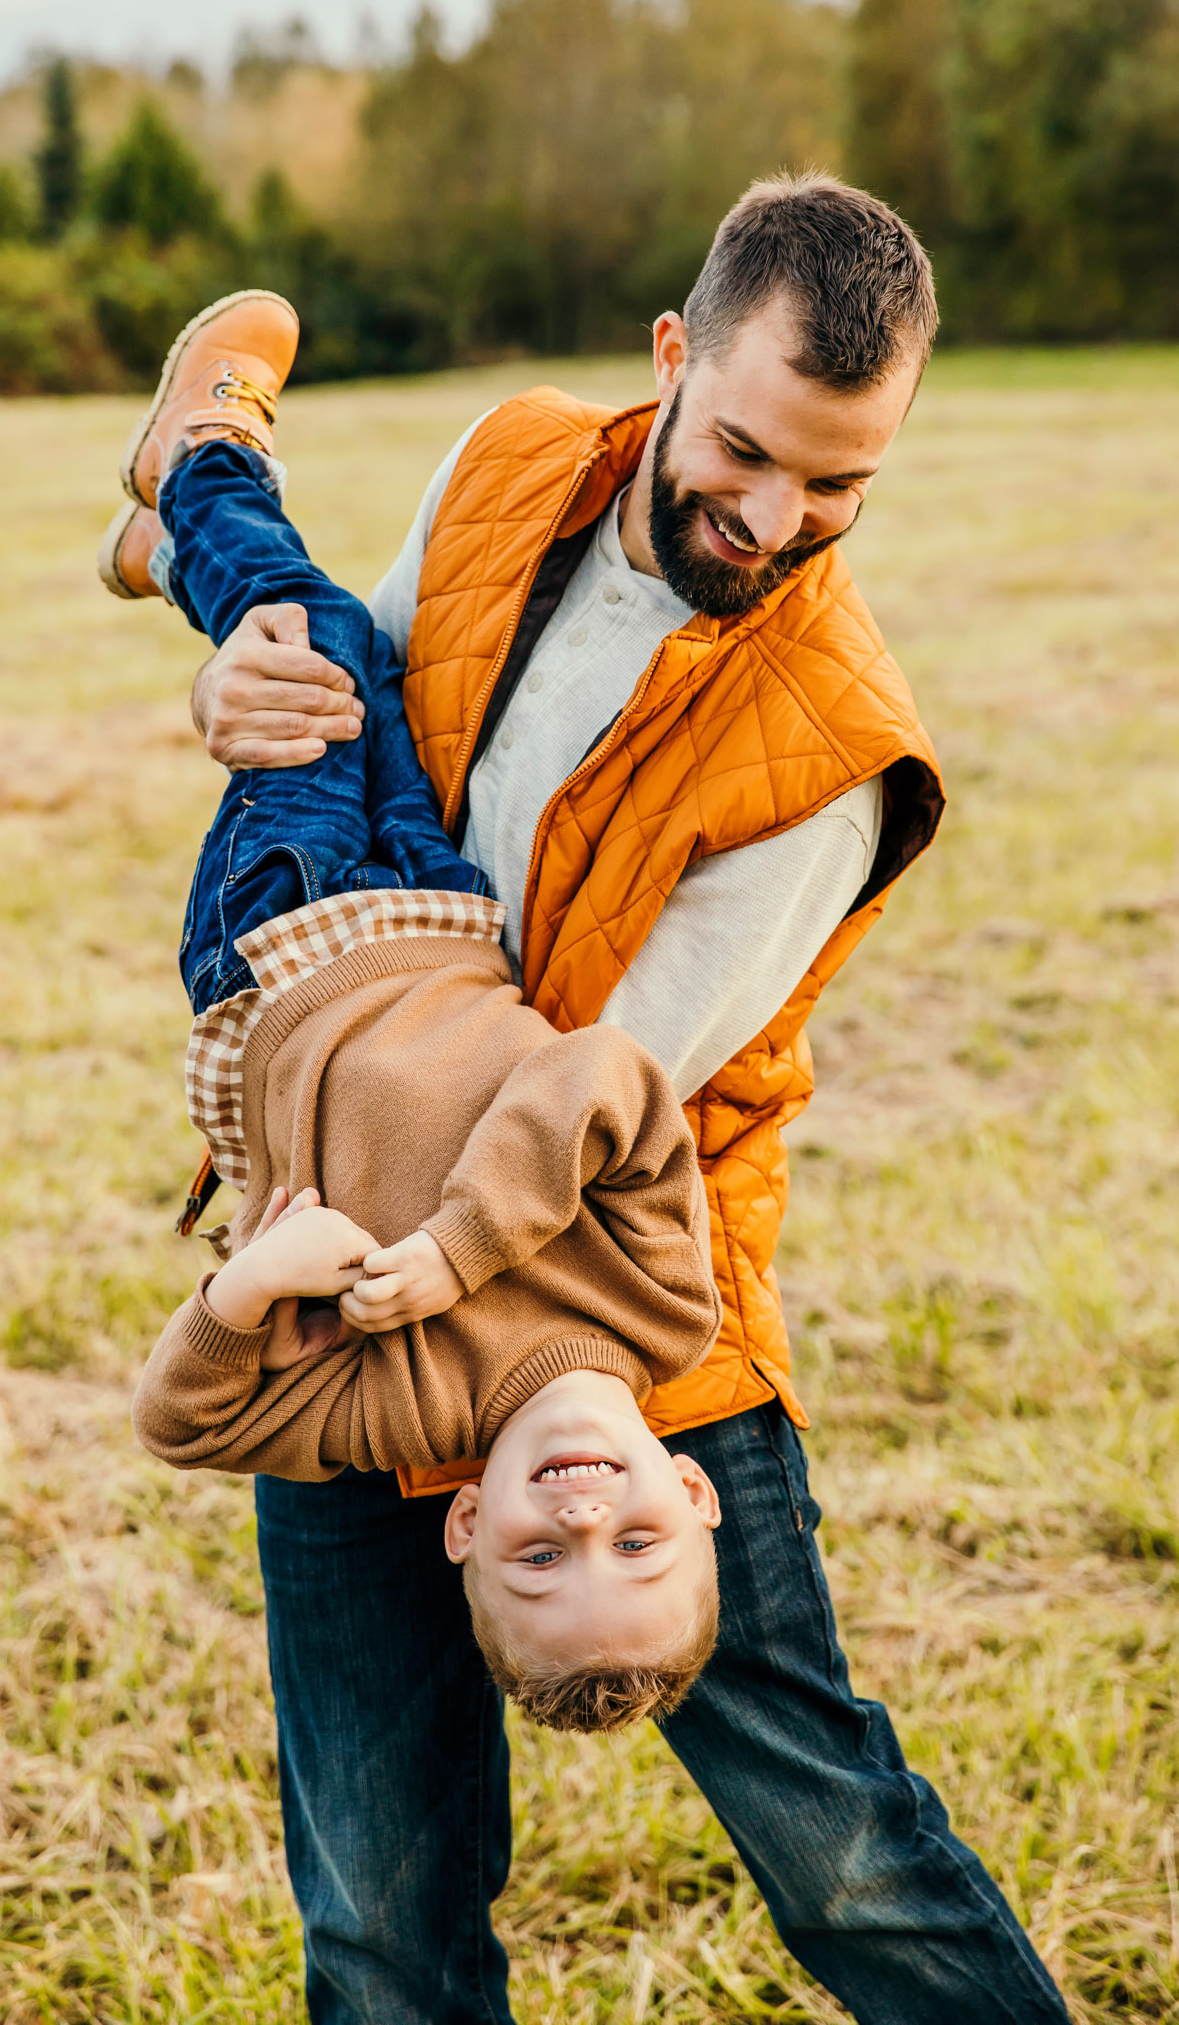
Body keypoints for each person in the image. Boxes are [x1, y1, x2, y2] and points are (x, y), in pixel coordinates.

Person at [182, 175, 1075, 2025]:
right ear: (674, 357)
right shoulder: (510, 460)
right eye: (745, 452)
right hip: (353, 1275)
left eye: (841, 487)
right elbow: (371, 722)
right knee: (375, 1904)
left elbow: (600, 1100)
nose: (775, 522)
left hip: (621, 1320)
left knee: (843, 1855)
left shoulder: (834, 748)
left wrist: (372, 1221)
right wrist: (250, 679)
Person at [104, 291, 726, 1730]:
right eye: (635, 1542)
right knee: (370, 653)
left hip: (286, 953)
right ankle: (171, 548)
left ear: (462, 1530)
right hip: (446, 920)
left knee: (313, 638)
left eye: (536, 1555)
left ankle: (202, 461)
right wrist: (452, 1252)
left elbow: (180, 1424)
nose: (584, 1515)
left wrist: (248, 1294)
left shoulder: (408, 1418)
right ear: (691, 1493)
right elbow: (609, 1089)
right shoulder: (663, 1311)